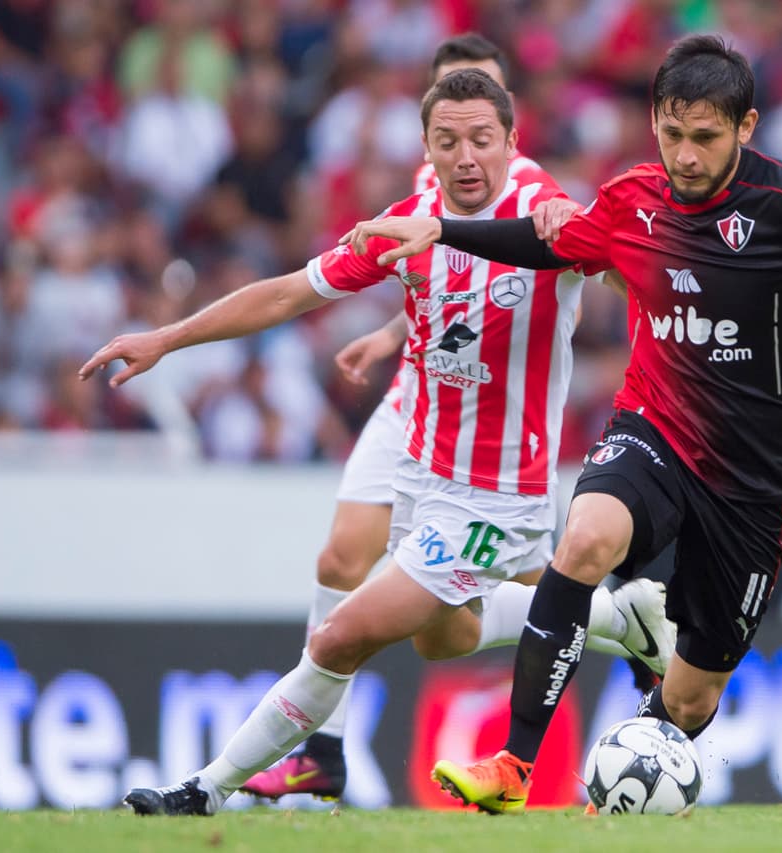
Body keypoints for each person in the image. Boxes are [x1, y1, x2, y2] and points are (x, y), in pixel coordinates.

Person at [340, 34, 782, 814]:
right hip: (654, 427)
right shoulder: (633, 198)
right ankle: (515, 764)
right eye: (672, 134)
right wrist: (444, 229)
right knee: (585, 539)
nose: (686, 155)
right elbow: (550, 242)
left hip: (748, 481)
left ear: (746, 126)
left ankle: (635, 760)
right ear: (654, 121)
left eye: (706, 137)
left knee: (694, 697)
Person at [81, 69, 672, 817]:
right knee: (442, 639)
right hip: (421, 478)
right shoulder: (407, 226)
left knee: (340, 637)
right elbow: (289, 292)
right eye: (448, 141)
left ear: (511, 142)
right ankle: (620, 618)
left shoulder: (546, 217)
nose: (466, 157)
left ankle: (203, 790)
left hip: (496, 496)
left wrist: (603, 255)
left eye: (481, 140)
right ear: (424, 147)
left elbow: (643, 282)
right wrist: (167, 338)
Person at [239, 31, 650, 806]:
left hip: (497, 420)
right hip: (420, 394)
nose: (464, 145)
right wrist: (392, 332)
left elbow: (527, 268)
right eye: (447, 124)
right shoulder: (427, 187)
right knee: (343, 557)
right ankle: (322, 751)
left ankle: (618, 623)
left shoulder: (535, 193)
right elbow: (440, 276)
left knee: (478, 610)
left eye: (481, 118)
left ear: (508, 119)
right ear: (428, 125)